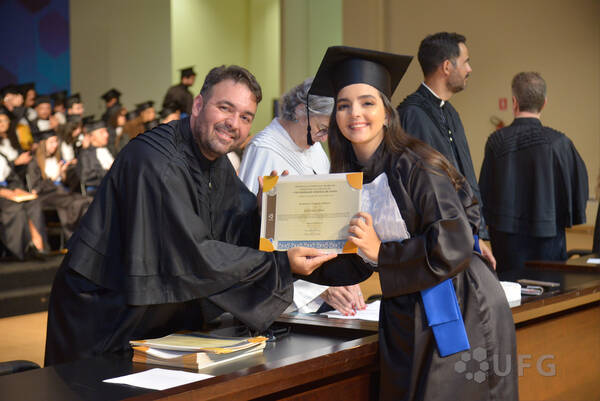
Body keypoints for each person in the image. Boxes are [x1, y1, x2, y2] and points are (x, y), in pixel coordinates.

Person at [44, 64, 335, 366]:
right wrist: (280, 263)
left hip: (147, 311)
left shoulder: (215, 160)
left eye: (245, 117)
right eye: (225, 108)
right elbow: (192, 254)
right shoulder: (156, 162)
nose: (233, 123)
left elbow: (233, 226)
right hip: (101, 312)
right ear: (198, 105)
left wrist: (264, 212)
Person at [304, 46, 518, 401]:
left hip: (458, 301)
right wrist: (292, 247)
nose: (355, 113)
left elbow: (453, 243)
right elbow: (353, 260)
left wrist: (382, 253)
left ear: (387, 114)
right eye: (343, 105)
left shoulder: (416, 164)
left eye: (367, 103)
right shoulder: (348, 177)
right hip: (405, 306)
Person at [239, 78, 365, 315]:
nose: (324, 138)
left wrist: (343, 277)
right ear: (300, 111)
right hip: (284, 293)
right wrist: (320, 288)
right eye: (322, 128)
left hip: (320, 281)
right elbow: (251, 240)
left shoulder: (315, 150)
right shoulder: (264, 150)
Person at [396, 32, 495, 269]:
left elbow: (465, 175)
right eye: (466, 62)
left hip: (460, 236)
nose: (469, 69)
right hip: (433, 245)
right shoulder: (411, 114)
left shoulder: (450, 113)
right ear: (447, 67)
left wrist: (477, 235)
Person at [479, 72, 588, 271]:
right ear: (544, 103)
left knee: (511, 289)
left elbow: (484, 193)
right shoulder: (560, 143)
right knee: (551, 288)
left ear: (514, 102)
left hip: (507, 242)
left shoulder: (497, 142)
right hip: (549, 238)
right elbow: (578, 187)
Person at [28, 129, 92, 239]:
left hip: (62, 192)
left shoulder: (57, 158)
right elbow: (35, 188)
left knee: (87, 202)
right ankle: (72, 231)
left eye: (56, 141)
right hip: (47, 195)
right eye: (51, 142)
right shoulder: (35, 163)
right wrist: (54, 177)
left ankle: (84, 236)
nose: (55, 145)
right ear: (43, 144)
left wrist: (63, 174)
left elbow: (65, 183)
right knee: (79, 201)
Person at [77, 119, 113, 195]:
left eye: (106, 131)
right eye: (101, 132)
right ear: (91, 136)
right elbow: (87, 178)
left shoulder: (108, 149)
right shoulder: (86, 154)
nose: (106, 135)